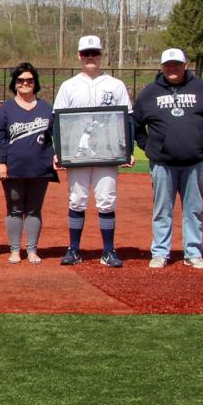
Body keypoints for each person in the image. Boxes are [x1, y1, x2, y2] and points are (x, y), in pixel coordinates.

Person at [133, 48, 203, 269]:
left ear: (185, 65)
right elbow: (136, 125)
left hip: (194, 162)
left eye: (176, 64)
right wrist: (149, 147)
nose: (172, 68)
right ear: (162, 67)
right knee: (162, 211)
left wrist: (202, 145)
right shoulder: (150, 92)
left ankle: (193, 252)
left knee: (194, 210)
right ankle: (160, 252)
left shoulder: (201, 89)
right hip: (162, 164)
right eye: (168, 65)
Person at [53, 35, 132, 268]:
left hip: (107, 152)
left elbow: (127, 120)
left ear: (101, 55)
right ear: (79, 55)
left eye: (94, 53)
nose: (90, 57)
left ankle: (108, 251)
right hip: (77, 153)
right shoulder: (69, 86)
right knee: (77, 200)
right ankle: (74, 249)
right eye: (86, 53)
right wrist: (60, 151)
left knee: (107, 201)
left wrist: (127, 150)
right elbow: (57, 121)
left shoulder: (115, 85)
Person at [0, 62, 55, 264]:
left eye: (29, 80)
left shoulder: (46, 107)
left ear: (35, 83)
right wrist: (0, 162)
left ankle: (32, 250)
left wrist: (58, 155)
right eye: (20, 80)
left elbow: (57, 134)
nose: (25, 83)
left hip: (40, 166)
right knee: (15, 208)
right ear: (14, 83)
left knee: (34, 209)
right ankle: (15, 250)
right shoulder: (6, 109)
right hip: (13, 167)